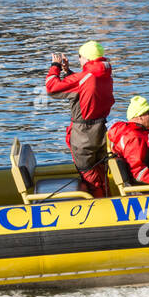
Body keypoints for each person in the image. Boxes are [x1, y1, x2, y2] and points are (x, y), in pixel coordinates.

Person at [46, 40, 114, 198]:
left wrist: (54, 66)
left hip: (84, 136)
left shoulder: (84, 77)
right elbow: (83, 87)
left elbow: (51, 88)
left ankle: (99, 205)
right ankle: (108, 196)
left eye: (80, 56)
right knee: (100, 170)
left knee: (88, 174)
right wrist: (68, 72)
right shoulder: (103, 74)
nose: (79, 60)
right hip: (101, 132)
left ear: (88, 59)